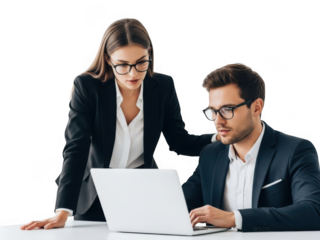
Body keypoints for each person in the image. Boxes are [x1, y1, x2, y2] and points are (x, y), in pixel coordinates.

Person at [20, 18, 220, 230]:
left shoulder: (162, 86)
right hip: (94, 198)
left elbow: (179, 142)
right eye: (123, 65)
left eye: (141, 62)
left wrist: (221, 138)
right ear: (108, 59)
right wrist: (62, 211)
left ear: (150, 54)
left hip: (143, 196)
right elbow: (76, 148)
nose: (133, 73)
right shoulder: (87, 87)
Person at [182, 62, 320, 232]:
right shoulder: (211, 154)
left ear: (257, 107)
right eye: (213, 111)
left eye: (227, 109)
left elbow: (314, 211)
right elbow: (179, 203)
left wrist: (234, 218)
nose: (218, 121)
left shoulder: (296, 150)